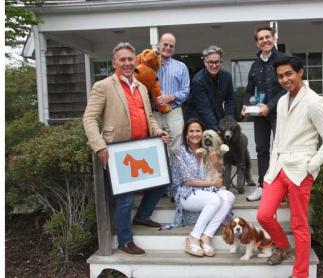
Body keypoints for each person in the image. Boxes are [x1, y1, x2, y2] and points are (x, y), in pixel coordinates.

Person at [257, 56, 323, 278]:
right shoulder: (283, 101)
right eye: (281, 76)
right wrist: (270, 168)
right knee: (264, 215)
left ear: (300, 72)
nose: (285, 79)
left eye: (289, 74)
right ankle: (283, 246)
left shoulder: (314, 101)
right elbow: (279, 137)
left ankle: (300, 274)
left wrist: (310, 165)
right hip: (278, 168)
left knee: (299, 225)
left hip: (300, 170)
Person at [83, 42, 169, 256]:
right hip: (119, 151)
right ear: (114, 63)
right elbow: (89, 118)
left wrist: (157, 130)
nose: (127, 63)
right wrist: (99, 146)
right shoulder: (103, 86)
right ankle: (124, 240)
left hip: (145, 147)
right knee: (125, 198)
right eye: (122, 59)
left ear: (136, 61)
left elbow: (149, 116)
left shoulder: (141, 86)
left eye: (130, 59)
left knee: (161, 184)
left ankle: (142, 216)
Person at [170, 118, 235, 257]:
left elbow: (219, 172)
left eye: (198, 131)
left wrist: (215, 159)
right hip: (185, 194)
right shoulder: (179, 152)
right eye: (191, 131)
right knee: (215, 199)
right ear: (186, 134)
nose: (195, 134)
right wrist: (213, 184)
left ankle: (207, 236)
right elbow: (187, 181)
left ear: (202, 132)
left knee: (229, 196)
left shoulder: (207, 150)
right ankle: (193, 237)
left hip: (205, 191)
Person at [242, 26, 286, 202]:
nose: (265, 40)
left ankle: (282, 188)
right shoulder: (255, 65)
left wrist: (270, 105)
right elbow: (248, 90)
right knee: (262, 151)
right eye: (261, 38)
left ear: (274, 38)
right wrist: (246, 106)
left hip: (280, 113)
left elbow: (287, 89)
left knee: (281, 150)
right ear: (257, 42)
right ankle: (263, 186)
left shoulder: (283, 60)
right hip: (260, 116)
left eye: (268, 37)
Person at [185, 45, 236, 131]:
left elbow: (230, 100)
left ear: (221, 62)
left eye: (217, 62)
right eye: (211, 62)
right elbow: (205, 110)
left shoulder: (227, 76)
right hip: (198, 120)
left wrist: (229, 122)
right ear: (205, 62)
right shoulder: (198, 80)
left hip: (218, 114)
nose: (214, 65)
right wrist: (217, 130)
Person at [155, 32, 190, 153]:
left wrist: (170, 97)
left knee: (176, 148)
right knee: (155, 147)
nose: (168, 48)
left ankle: (174, 172)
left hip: (174, 112)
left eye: (171, 46)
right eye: (165, 44)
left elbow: (186, 91)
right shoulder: (148, 64)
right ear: (158, 45)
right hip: (154, 114)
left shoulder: (181, 67)